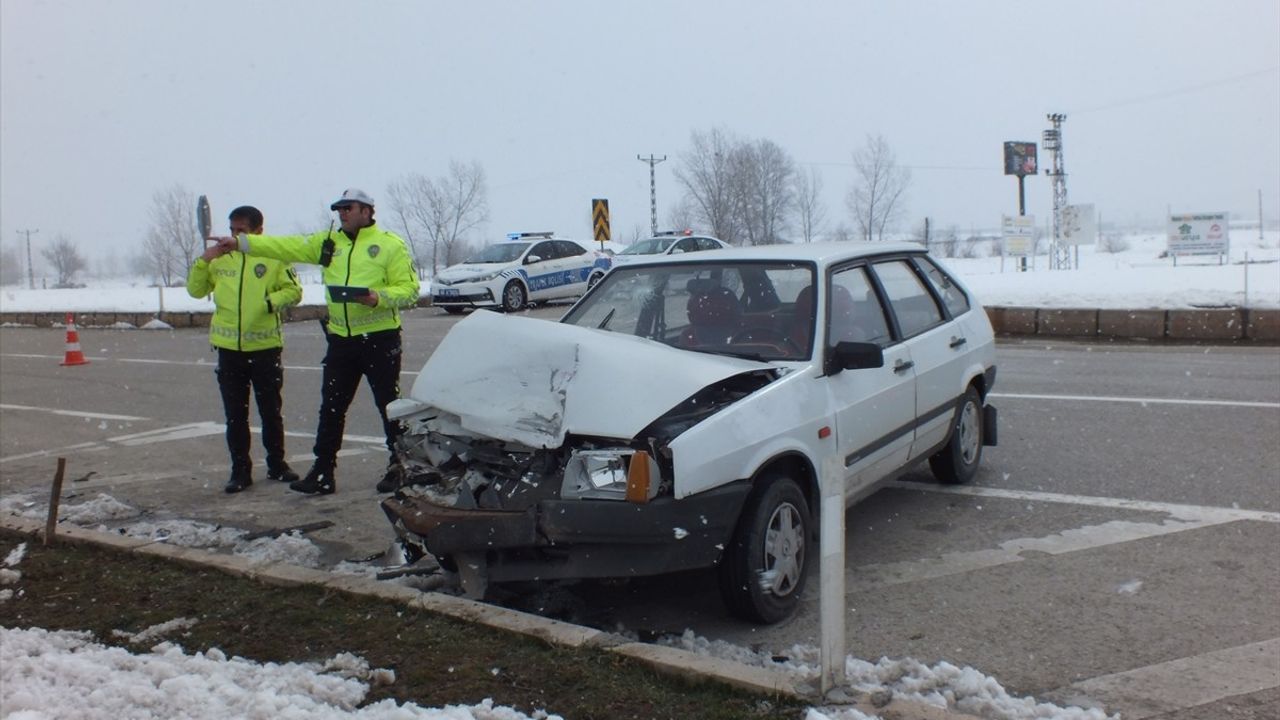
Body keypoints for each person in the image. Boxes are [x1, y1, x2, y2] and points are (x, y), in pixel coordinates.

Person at [212, 188, 420, 496]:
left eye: (348, 208)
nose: (342, 213)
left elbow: (410, 289)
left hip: (379, 339)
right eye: (339, 209)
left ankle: (401, 466)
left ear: (367, 210)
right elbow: (285, 246)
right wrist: (242, 242)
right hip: (341, 341)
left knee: (389, 406)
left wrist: (379, 297)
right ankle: (323, 471)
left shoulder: (389, 245)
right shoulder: (328, 243)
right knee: (331, 407)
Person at [187, 205, 303, 494]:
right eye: (232, 230)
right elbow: (195, 290)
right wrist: (204, 260)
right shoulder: (220, 258)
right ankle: (240, 470)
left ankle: (277, 464)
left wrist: (268, 303)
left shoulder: (273, 257)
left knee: (270, 411)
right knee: (235, 415)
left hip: (265, 348)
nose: (234, 236)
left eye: (242, 230)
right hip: (229, 349)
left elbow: (294, 292)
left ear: (258, 231)